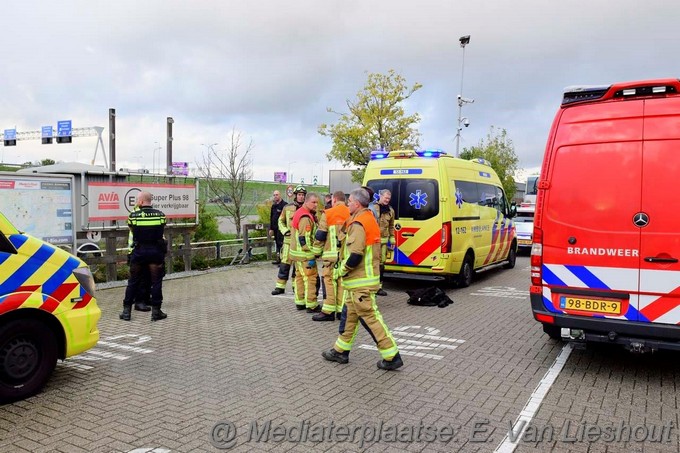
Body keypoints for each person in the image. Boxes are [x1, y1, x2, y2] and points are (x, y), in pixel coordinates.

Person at [322, 188, 403, 371]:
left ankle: (391, 356)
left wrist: (340, 271)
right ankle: (340, 351)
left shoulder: (359, 223)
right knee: (349, 317)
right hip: (358, 283)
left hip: (360, 283)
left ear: (357, 203)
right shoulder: (367, 218)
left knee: (370, 318)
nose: (348, 204)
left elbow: (355, 255)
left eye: (350, 201)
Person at [120, 191, 168, 322]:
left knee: (133, 282)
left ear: (141, 201)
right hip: (155, 252)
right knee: (156, 282)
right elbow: (161, 230)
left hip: (139, 252)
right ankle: (156, 312)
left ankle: (126, 312)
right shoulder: (160, 215)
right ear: (150, 201)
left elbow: (132, 229)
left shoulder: (133, 216)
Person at [310, 190, 350, 321]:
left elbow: (321, 235)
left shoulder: (328, 213)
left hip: (330, 256)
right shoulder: (351, 213)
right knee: (341, 282)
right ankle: (340, 311)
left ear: (334, 200)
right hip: (345, 256)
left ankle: (328, 311)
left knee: (329, 281)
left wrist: (315, 253)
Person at [271, 185, 306, 295]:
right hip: (288, 241)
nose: (301, 197)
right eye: (299, 195)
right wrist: (285, 231)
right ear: (296, 195)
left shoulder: (307, 209)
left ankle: (296, 287)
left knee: (297, 266)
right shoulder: (287, 208)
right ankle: (280, 286)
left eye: (303, 195)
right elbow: (280, 221)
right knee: (284, 264)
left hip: (300, 244)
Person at [289, 192, 321, 312]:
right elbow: (305, 239)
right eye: (313, 202)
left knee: (299, 278)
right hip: (305, 256)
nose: (316, 205)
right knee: (310, 279)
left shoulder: (300, 213)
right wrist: (312, 254)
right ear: (306, 202)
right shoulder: (305, 217)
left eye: (317, 202)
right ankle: (311, 304)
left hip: (297, 255)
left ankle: (300, 302)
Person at [127, 202, 151, 312]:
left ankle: (143, 299)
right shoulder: (137, 214)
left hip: (138, 249)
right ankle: (139, 302)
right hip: (137, 249)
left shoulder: (135, 213)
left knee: (145, 277)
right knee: (139, 278)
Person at [371, 189, 395, 296]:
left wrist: (392, 238)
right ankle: (371, 286)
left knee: (381, 265)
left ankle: (379, 287)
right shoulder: (372, 208)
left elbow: (391, 226)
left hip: (384, 243)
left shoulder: (390, 211)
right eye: (385, 198)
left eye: (388, 198)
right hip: (372, 242)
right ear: (380, 196)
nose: (387, 200)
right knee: (372, 264)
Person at [269, 190, 287, 265]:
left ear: (280, 195)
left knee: (282, 244)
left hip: (282, 229)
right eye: (274, 195)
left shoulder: (285, 205)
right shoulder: (273, 206)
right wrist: (271, 228)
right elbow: (271, 217)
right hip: (275, 229)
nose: (275, 196)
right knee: (277, 244)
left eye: (277, 195)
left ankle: (283, 260)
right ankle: (278, 259)